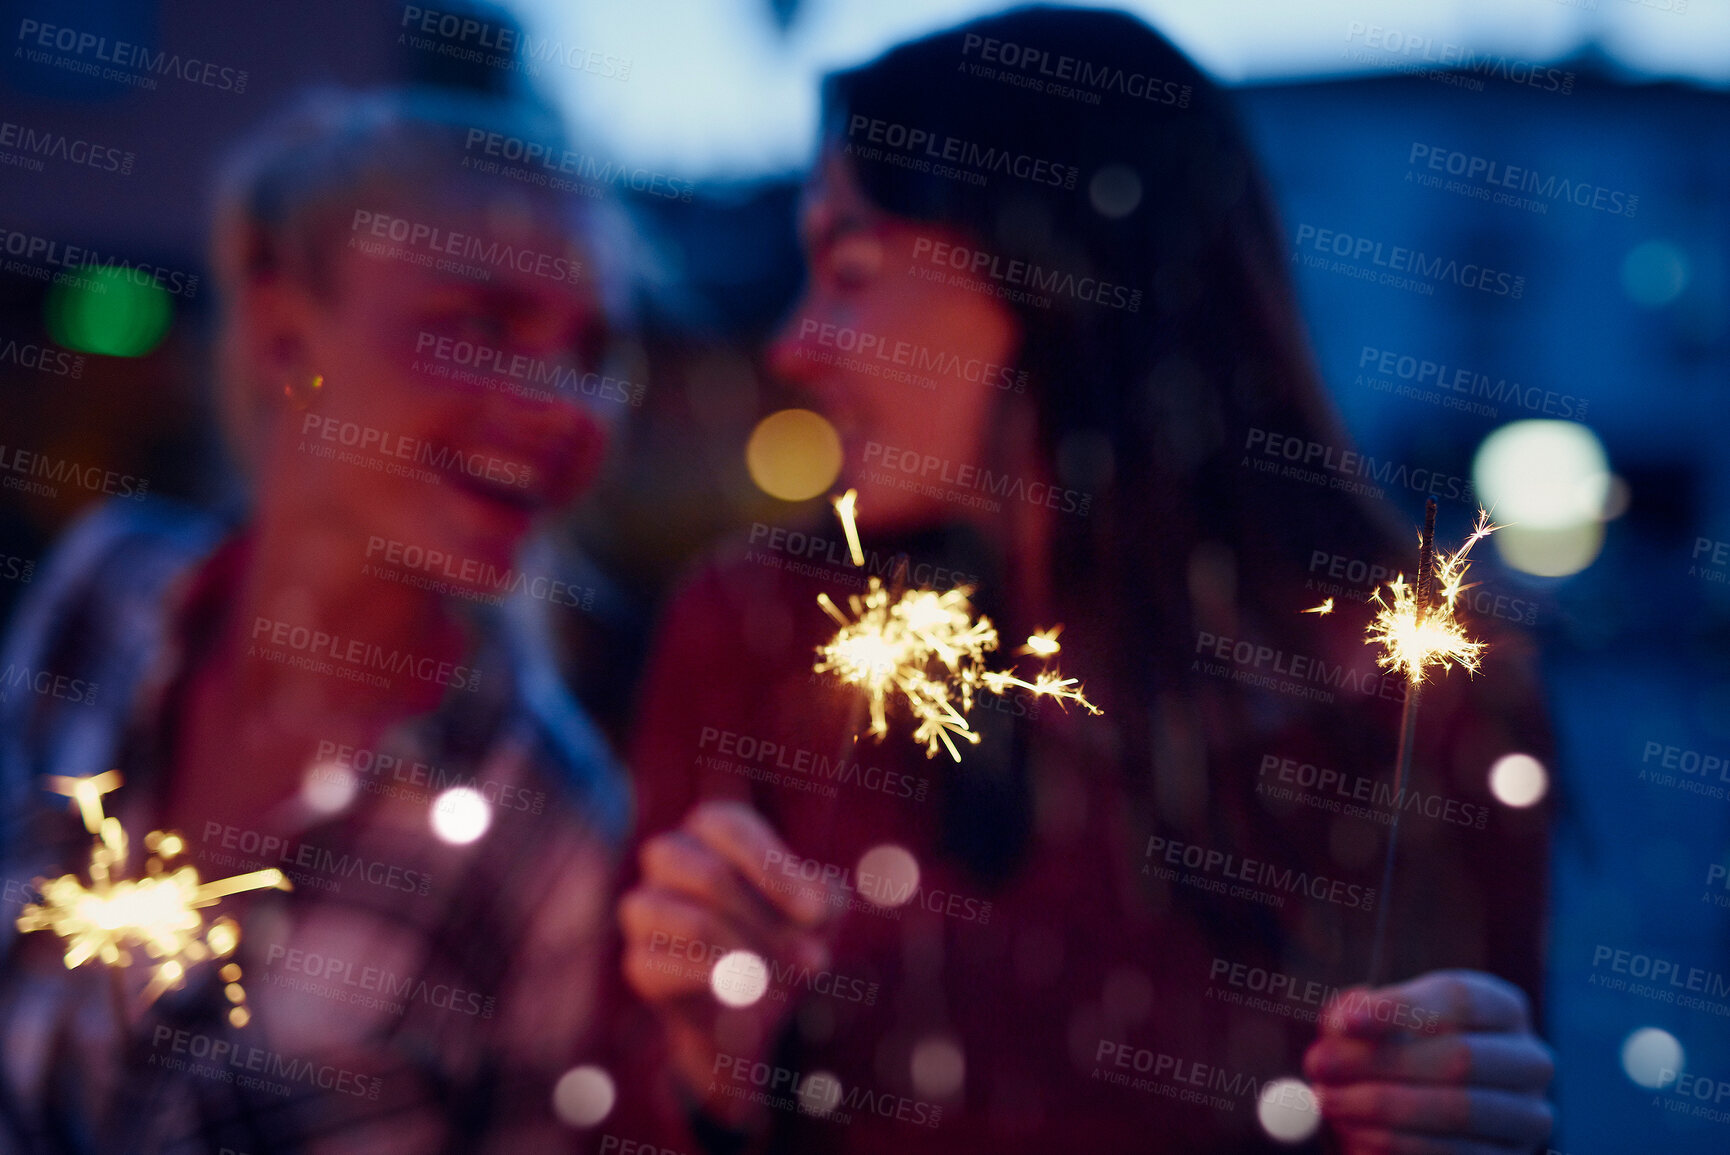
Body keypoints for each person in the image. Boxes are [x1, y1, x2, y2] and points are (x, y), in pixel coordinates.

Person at [611, 7, 1556, 1154]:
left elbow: (1487, 1081)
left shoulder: (1411, 702)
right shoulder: (762, 634)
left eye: (850, 270)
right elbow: (602, 1108)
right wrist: (708, 1077)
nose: (793, 342)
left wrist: (1471, 1125)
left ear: (1056, 271)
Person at [0, 85, 631, 1153]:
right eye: (477, 326)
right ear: (284, 336)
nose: (567, 407)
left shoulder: (551, 839)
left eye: (592, 357)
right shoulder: (102, 594)